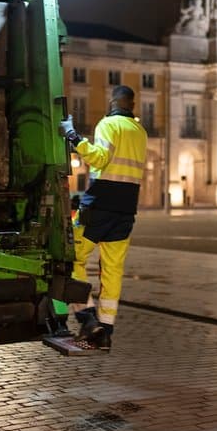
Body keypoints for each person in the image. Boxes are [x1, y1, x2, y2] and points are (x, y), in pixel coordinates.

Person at [58, 85, 148, 350]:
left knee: (72, 257)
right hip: (126, 210)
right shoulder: (140, 132)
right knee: (113, 271)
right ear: (132, 104)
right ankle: (105, 331)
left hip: (99, 205)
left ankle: (87, 319)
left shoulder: (109, 124)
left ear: (113, 102)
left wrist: (73, 136)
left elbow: (100, 156)